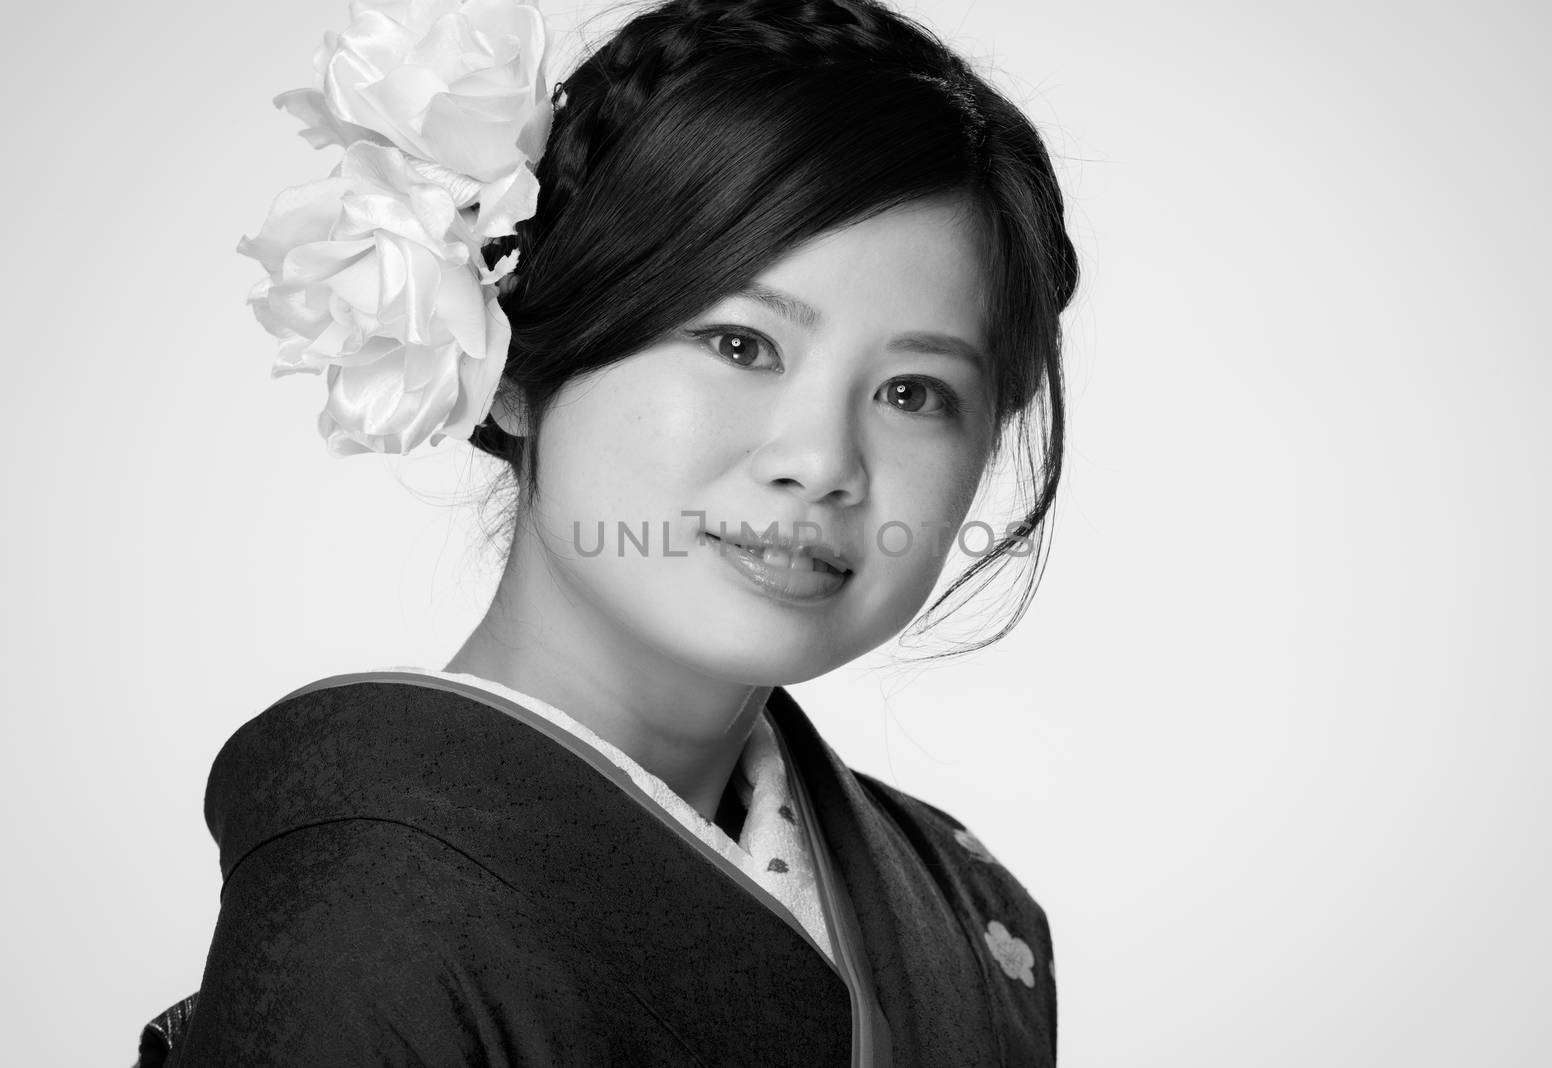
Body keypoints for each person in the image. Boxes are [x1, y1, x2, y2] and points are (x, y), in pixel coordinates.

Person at [140, 0, 1077, 1063]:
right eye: (739, 341)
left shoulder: (968, 910)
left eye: (914, 393)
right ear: (518, 364)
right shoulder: (366, 900)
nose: (820, 462)